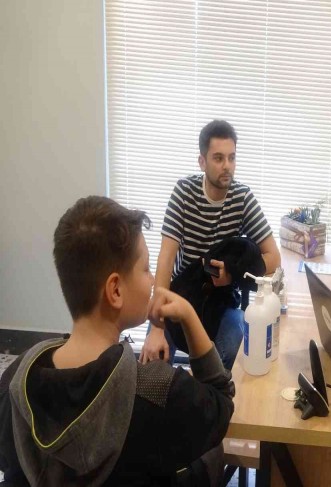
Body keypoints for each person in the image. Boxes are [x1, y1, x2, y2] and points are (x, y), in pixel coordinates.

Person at [0, 196, 235, 485]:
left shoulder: (14, 381)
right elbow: (221, 404)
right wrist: (189, 316)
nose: (153, 281)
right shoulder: (158, 391)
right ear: (115, 291)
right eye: (146, 269)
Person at [141, 120, 281, 368]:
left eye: (231, 158)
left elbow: (273, 257)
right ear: (202, 162)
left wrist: (233, 274)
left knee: (235, 345)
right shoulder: (184, 192)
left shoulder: (242, 198)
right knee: (153, 362)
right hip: (181, 294)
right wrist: (157, 327)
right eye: (218, 158)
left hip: (220, 300)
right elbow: (166, 258)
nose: (227, 166)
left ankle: (211, 391)